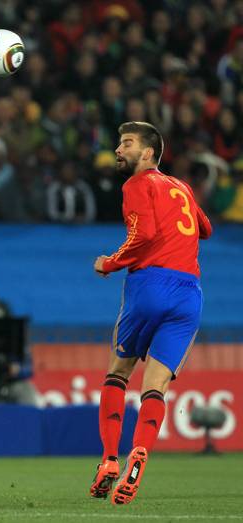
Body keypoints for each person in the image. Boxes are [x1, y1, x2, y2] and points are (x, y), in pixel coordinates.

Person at [90, 121, 212, 505]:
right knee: (156, 386)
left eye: (126, 143)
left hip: (151, 285)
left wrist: (110, 263)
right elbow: (204, 228)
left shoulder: (137, 184)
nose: (118, 149)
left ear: (148, 153)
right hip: (190, 293)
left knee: (117, 373)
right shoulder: (181, 187)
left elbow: (141, 237)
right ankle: (140, 453)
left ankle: (110, 461)